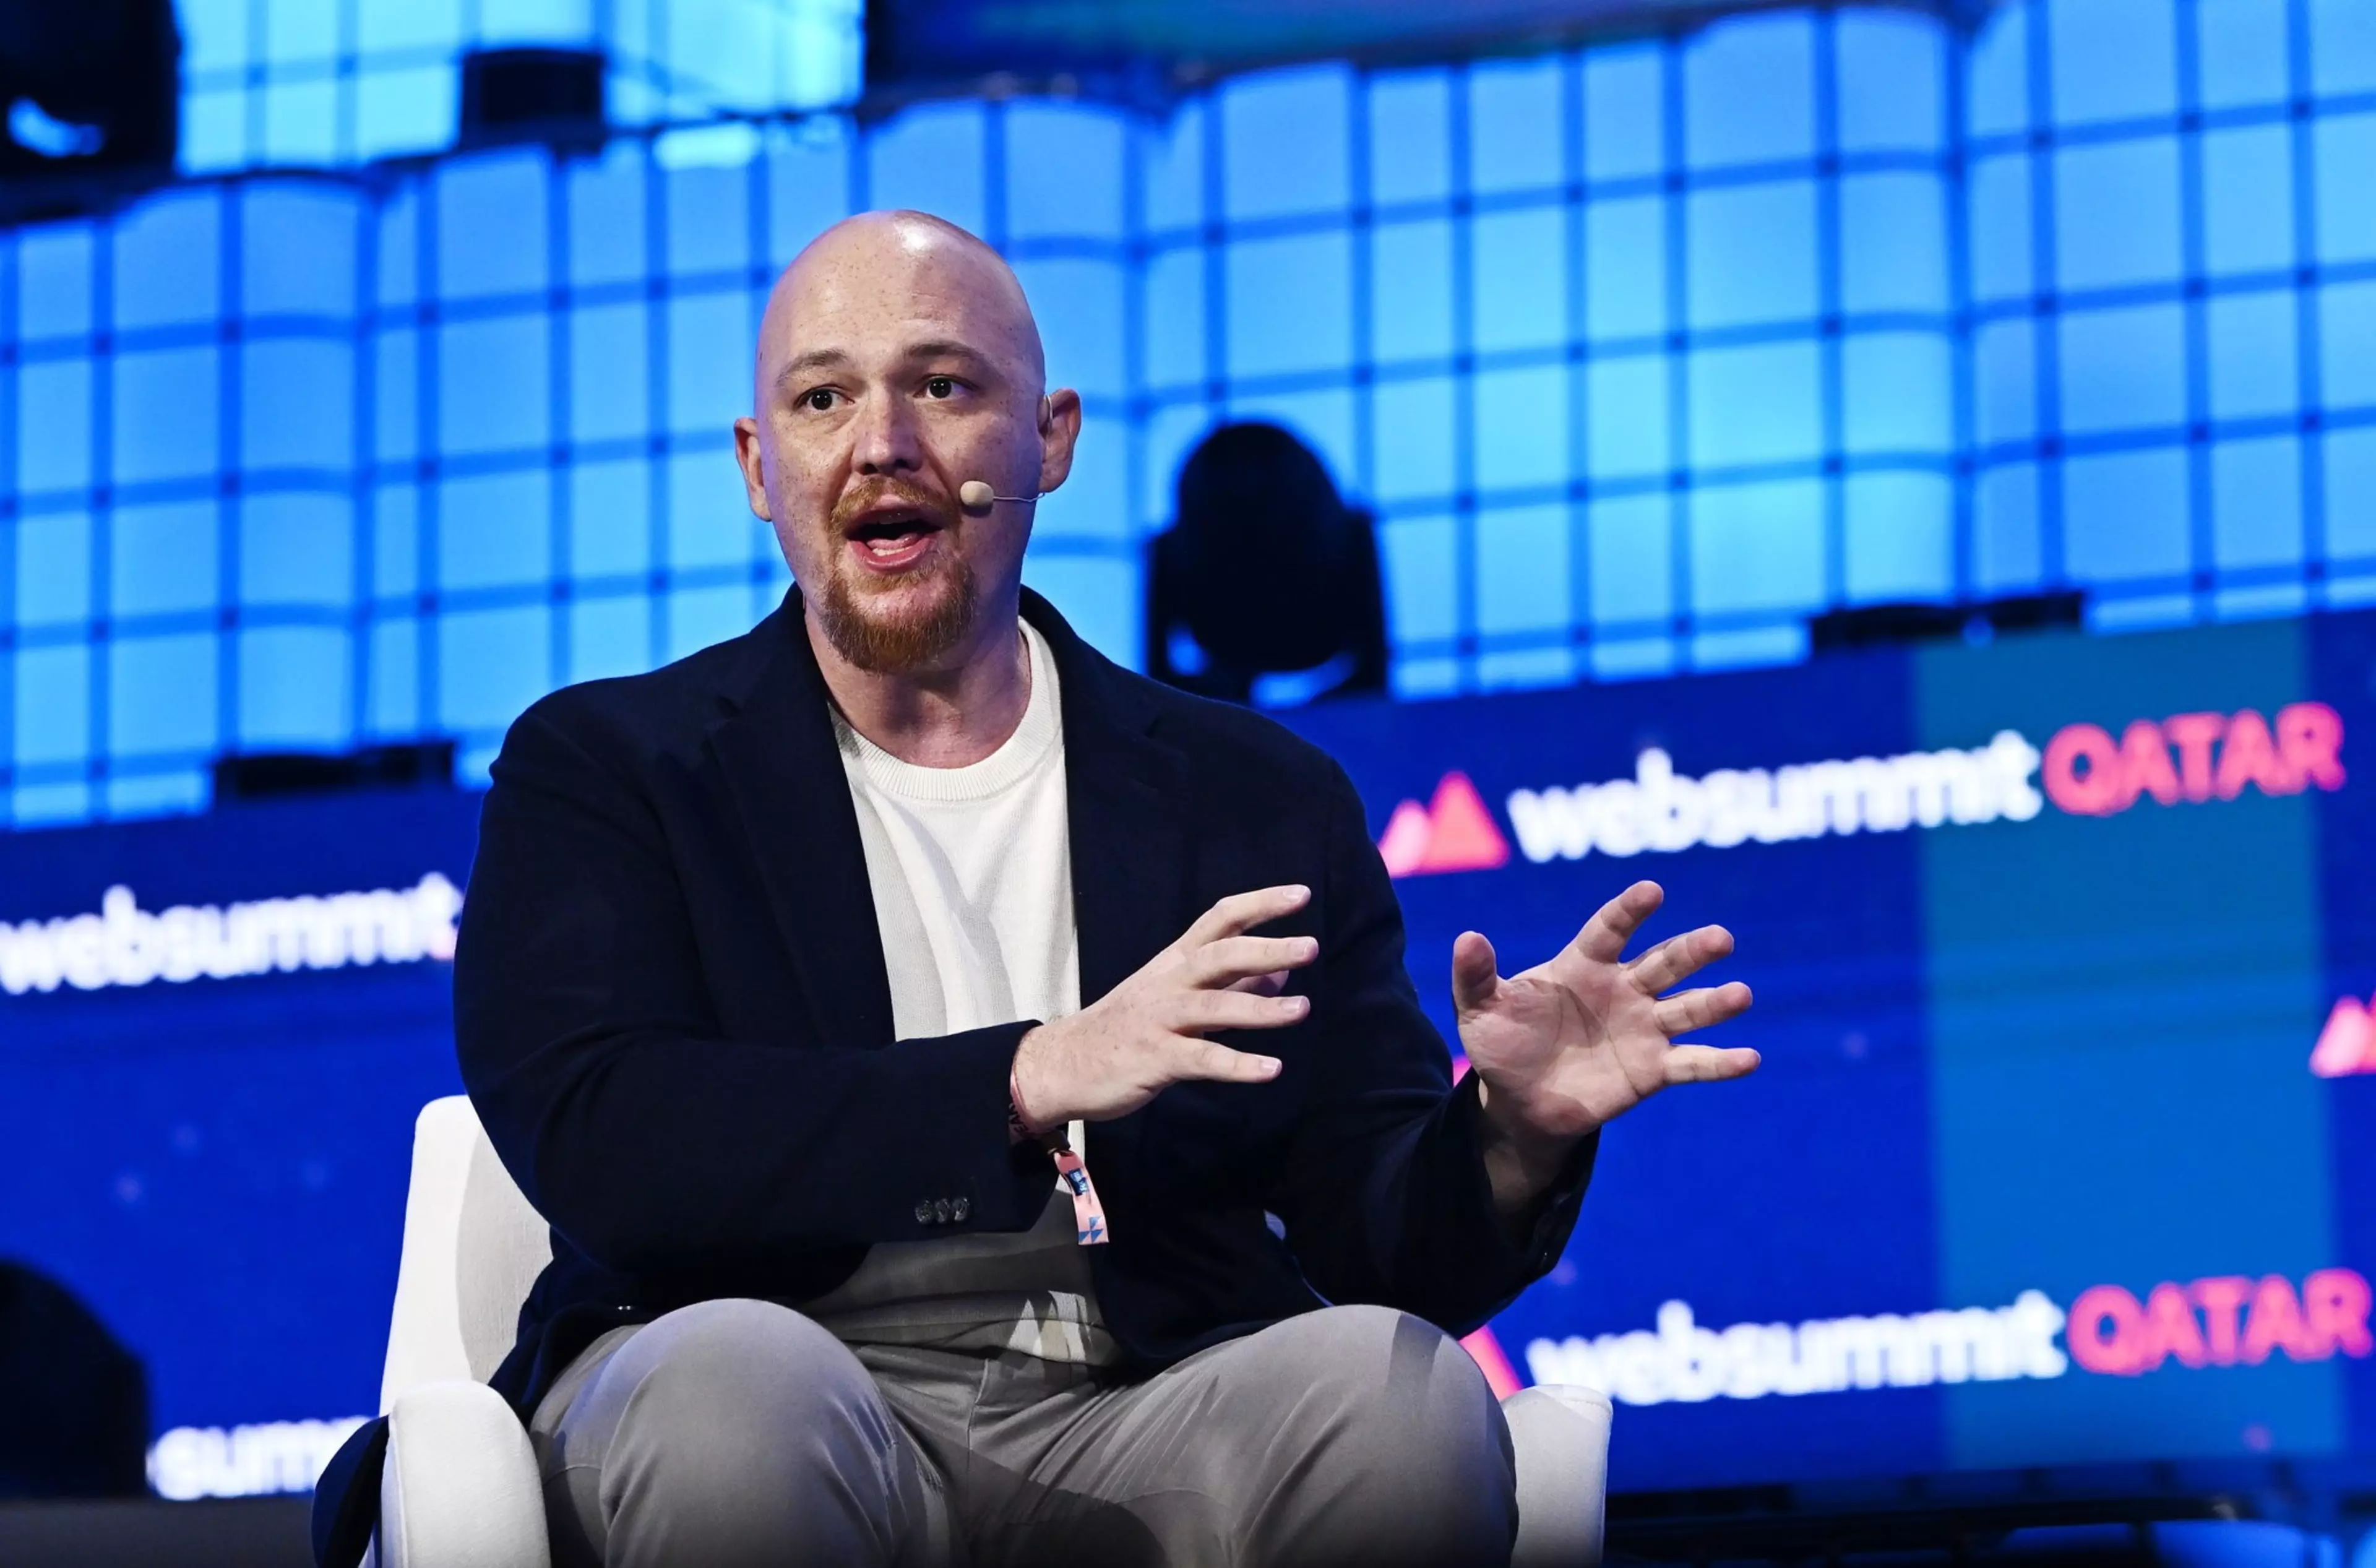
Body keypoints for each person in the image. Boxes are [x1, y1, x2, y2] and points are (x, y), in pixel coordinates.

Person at [454, 209, 1757, 1568]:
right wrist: (1030, 1075)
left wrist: (1511, 1137)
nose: (882, 441)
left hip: (1141, 1393)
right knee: (737, 1398)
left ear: (1050, 438)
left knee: (1399, 1399)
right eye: (824, 397)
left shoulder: (1255, 795)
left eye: (944, 387)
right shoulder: (611, 769)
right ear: (759, 466)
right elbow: (610, 1140)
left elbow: (1383, 1239)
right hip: (761, 1360)